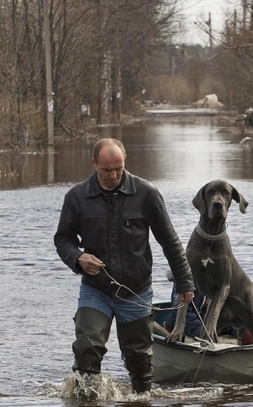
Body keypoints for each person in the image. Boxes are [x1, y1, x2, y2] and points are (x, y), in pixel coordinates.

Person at [54, 138, 195, 393]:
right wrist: (78, 258)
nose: (113, 175)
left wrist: (185, 282)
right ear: (94, 163)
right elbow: (63, 239)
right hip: (95, 289)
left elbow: (170, 240)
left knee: (139, 359)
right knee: (88, 347)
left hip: (136, 291)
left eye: (118, 168)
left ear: (125, 160)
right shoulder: (76, 197)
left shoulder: (146, 193)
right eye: (106, 170)